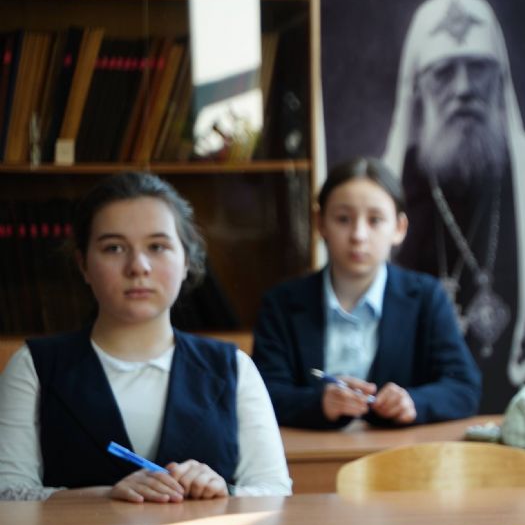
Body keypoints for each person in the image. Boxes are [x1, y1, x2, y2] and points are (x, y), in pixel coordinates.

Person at [0, 172, 291, 502]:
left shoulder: (234, 366)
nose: (138, 266)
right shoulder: (33, 366)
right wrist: (103, 497)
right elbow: (6, 495)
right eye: (114, 248)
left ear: (186, 260)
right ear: (83, 264)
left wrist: (225, 491)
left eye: (157, 247)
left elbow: (275, 492)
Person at [382, 0, 525, 420]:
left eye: (478, 69)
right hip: (409, 424)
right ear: (417, 89)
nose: (463, 89)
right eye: (443, 73)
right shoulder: (387, 203)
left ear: (500, 81)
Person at [252, 156, 482, 429]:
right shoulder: (281, 303)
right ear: (320, 223)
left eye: (375, 220)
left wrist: (413, 402)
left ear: (399, 228)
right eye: (343, 219)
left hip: (399, 450)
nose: (358, 235)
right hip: (311, 450)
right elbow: (260, 393)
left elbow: (464, 387)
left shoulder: (426, 297)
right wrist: (318, 402)